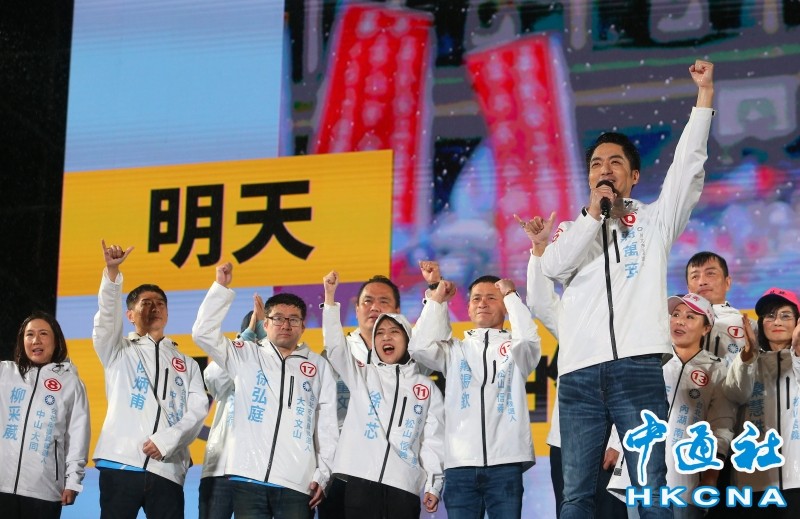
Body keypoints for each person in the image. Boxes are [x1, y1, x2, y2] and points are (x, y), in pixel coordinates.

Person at [538, 60, 715, 519]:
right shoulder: (571, 231)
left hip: (636, 370)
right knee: (576, 495)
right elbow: (552, 267)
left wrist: (704, 98)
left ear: (634, 175)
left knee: (650, 486)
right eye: (597, 163)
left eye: (616, 162)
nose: (605, 169)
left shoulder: (654, 222)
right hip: (578, 375)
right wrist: (591, 217)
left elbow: (687, 169)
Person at [192, 262, 338, 519]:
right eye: (278, 318)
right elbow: (203, 334)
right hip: (248, 478)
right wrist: (220, 288)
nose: (286, 325)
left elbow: (327, 426)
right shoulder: (246, 354)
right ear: (266, 324)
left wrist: (324, 474)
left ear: (303, 327)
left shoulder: (318, 366)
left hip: (298, 482)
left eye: (293, 319)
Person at [408, 263, 541, 518]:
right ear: (468, 308)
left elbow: (528, 339)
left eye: (492, 298)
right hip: (459, 466)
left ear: (505, 306)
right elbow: (420, 347)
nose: (482, 303)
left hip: (506, 463)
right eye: (476, 299)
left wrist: (512, 296)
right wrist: (437, 297)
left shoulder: (516, 350)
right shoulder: (454, 350)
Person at [518, 211, 626, 519]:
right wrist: (539, 248)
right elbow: (540, 302)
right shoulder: (569, 317)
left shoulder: (627, 314)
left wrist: (619, 442)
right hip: (567, 440)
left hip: (612, 442)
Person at [93, 241, 208, 519]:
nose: (154, 308)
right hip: (121, 463)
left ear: (167, 312)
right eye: (146, 303)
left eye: (160, 304)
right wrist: (112, 274)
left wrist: (167, 441)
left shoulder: (188, 364)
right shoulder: (117, 349)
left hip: (168, 468)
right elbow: (107, 317)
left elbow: (197, 411)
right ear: (130, 315)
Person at [321, 270, 444, 518]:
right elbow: (335, 348)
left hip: (404, 485)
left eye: (394, 332)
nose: (386, 337)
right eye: (380, 333)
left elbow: (434, 440)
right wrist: (330, 299)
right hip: (356, 479)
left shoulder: (425, 386)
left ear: (408, 339)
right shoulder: (361, 374)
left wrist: (434, 483)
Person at [607, 293, 735, 518]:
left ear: (706, 328)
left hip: (685, 477)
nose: (679, 321)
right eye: (675, 315)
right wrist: (615, 444)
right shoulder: (650, 360)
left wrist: (711, 475)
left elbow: (721, 425)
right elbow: (630, 406)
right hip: (639, 469)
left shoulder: (717, 369)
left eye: (690, 317)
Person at [317, 274, 404, 519]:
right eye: (367, 301)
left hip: (392, 474)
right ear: (356, 309)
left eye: (384, 301)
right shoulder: (334, 354)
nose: (374, 307)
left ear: (397, 311)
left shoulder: (409, 358)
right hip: (340, 472)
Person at [0, 312, 90, 519]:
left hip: (44, 491)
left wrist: (73, 481)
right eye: (29, 334)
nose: (36, 340)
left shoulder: (71, 383)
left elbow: (77, 436)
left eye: (43, 334)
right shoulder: (5, 373)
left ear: (56, 340)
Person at [722, 287, 800, 517]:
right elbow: (735, 393)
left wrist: (797, 352)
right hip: (752, 479)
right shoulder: (748, 360)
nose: (777, 321)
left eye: (785, 315)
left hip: (796, 480)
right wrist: (748, 355)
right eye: (770, 316)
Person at [685, 251, 750, 365]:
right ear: (689, 289)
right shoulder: (673, 323)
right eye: (695, 276)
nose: (702, 282)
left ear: (727, 282)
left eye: (710, 273)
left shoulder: (748, 326)